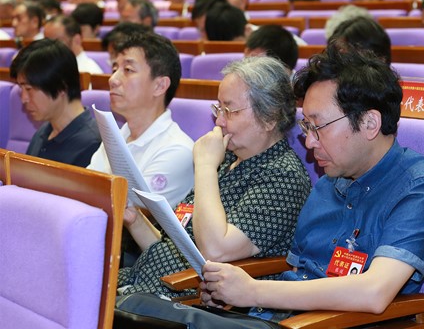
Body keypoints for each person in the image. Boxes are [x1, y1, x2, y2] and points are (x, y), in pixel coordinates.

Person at [200, 44, 424, 318]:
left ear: (370, 123)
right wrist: (230, 291)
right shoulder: (327, 183)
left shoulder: (418, 187)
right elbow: (298, 271)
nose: (309, 142)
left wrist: (252, 291)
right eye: (306, 126)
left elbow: (374, 291)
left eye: (318, 127)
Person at [117, 56, 311, 297]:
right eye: (219, 109)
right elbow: (175, 248)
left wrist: (206, 166)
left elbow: (215, 250)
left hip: (193, 301)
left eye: (229, 111)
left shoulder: (283, 177)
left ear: (269, 117)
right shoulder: (228, 159)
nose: (219, 121)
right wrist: (135, 220)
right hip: (149, 280)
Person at [87, 31, 194, 210]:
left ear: (159, 86)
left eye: (128, 70)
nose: (113, 79)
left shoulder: (178, 150)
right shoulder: (118, 134)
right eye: (114, 69)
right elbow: (87, 185)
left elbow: (132, 213)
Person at [9, 39, 101, 167]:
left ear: (61, 87)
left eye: (29, 89)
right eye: (21, 89)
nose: (23, 98)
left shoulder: (94, 146)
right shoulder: (44, 131)